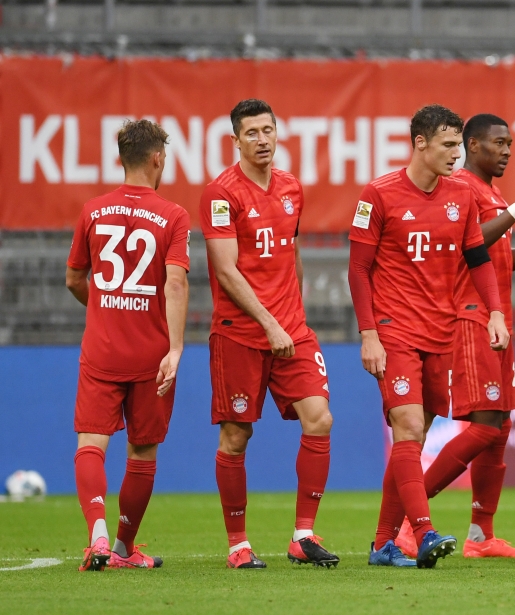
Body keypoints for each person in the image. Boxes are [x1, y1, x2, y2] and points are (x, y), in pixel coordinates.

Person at [348, 104, 510, 569]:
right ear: (420, 143)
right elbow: (358, 269)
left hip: (441, 334)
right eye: (447, 145)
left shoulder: (462, 195)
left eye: (458, 144)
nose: (456, 154)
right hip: (395, 330)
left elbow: (478, 258)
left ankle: (382, 544)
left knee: (411, 443)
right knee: (410, 427)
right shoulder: (378, 195)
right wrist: (369, 334)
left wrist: (496, 313)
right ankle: (423, 532)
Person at [393, 114, 515, 560]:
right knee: (484, 426)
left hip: (493, 317)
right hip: (468, 316)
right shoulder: (461, 189)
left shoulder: (489, 193)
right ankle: (409, 522)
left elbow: (494, 260)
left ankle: (481, 534)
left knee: (501, 428)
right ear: (472, 145)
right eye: (498, 143)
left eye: (510, 144)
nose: (507, 151)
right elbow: (470, 247)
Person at [201, 99, 337, 569]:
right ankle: (238, 543)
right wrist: (269, 321)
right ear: (235, 140)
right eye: (252, 133)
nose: (262, 139)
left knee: (319, 418)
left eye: (268, 130)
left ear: (278, 133)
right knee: (236, 437)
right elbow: (225, 269)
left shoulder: (292, 188)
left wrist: (294, 314)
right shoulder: (221, 195)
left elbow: (291, 250)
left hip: (291, 331)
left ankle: (303, 535)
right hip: (240, 333)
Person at [66, 119, 190, 571]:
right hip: (151, 354)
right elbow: (174, 284)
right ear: (158, 158)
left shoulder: (92, 210)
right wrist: (174, 350)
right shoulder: (174, 215)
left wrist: (102, 306)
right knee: (142, 451)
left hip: (102, 348)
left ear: (122, 157)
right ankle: (122, 548)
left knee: (91, 444)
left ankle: (96, 539)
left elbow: (74, 279)